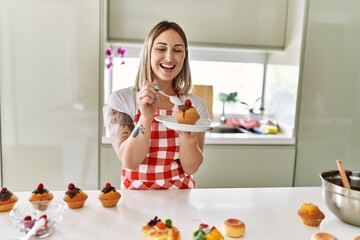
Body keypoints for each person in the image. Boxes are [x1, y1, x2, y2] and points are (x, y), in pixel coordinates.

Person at [103, 20, 211, 190]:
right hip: (136, 203)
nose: (169, 57)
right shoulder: (122, 99)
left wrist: (188, 136)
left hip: (181, 199)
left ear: (184, 56)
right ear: (148, 53)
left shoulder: (194, 105)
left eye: (177, 50)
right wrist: (146, 117)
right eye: (161, 48)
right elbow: (130, 161)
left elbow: (191, 168)